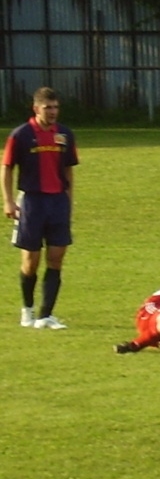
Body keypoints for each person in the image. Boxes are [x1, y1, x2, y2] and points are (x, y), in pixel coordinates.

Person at [2, 87, 79, 330]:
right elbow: (7, 167)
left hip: (57, 202)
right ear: (36, 109)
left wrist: (68, 199)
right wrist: (8, 200)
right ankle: (28, 310)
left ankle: (46, 315)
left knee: (56, 258)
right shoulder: (21, 135)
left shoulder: (65, 134)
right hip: (32, 202)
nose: (53, 112)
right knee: (30, 261)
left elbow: (68, 169)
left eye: (56, 107)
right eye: (48, 108)